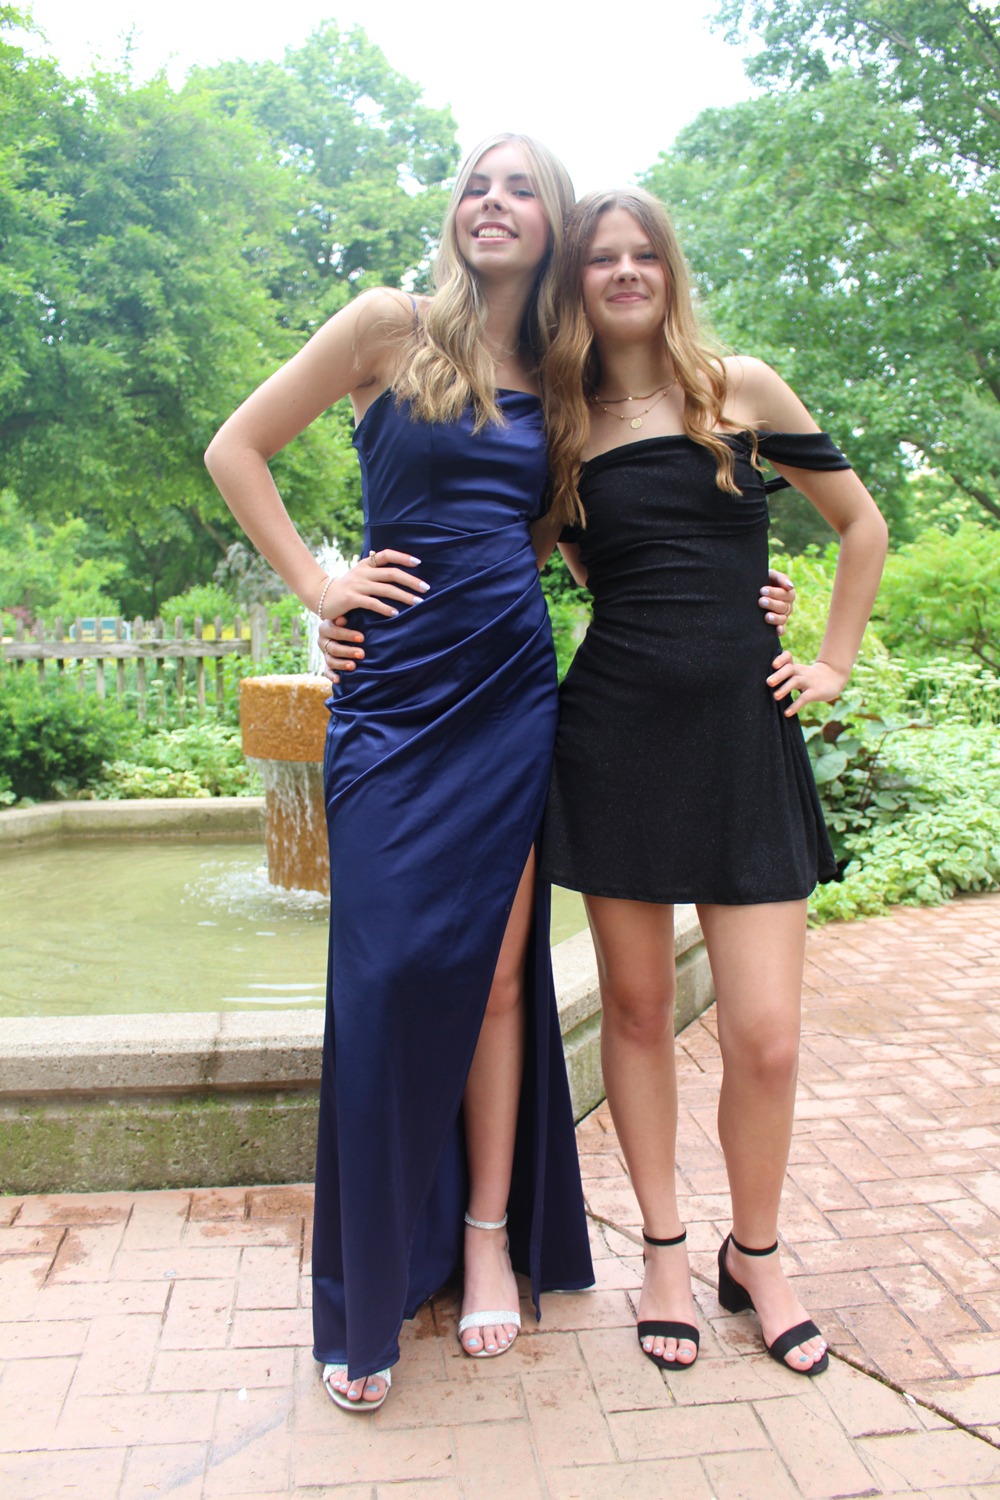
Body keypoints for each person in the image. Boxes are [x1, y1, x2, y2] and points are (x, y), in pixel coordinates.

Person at [205, 134, 599, 1412]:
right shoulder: (388, 326)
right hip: (389, 700)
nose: (494, 202)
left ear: (551, 223)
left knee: (498, 980)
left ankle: (485, 1241)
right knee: (378, 982)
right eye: (478, 183)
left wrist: (738, 599)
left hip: (508, 694)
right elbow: (235, 447)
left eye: (521, 188)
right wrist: (319, 585)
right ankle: (364, 1286)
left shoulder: (567, 374)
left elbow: (575, 540)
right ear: (456, 210)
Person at [532, 187, 888, 1378]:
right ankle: (664, 1252)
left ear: (669, 268)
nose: (625, 271)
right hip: (614, 738)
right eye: (602, 258)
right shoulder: (561, 427)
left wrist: (828, 660)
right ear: (577, 282)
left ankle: (758, 1254)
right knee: (636, 1014)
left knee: (766, 1036)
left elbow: (860, 526)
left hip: (743, 737)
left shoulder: (743, 391)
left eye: (644, 253)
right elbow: (575, 566)